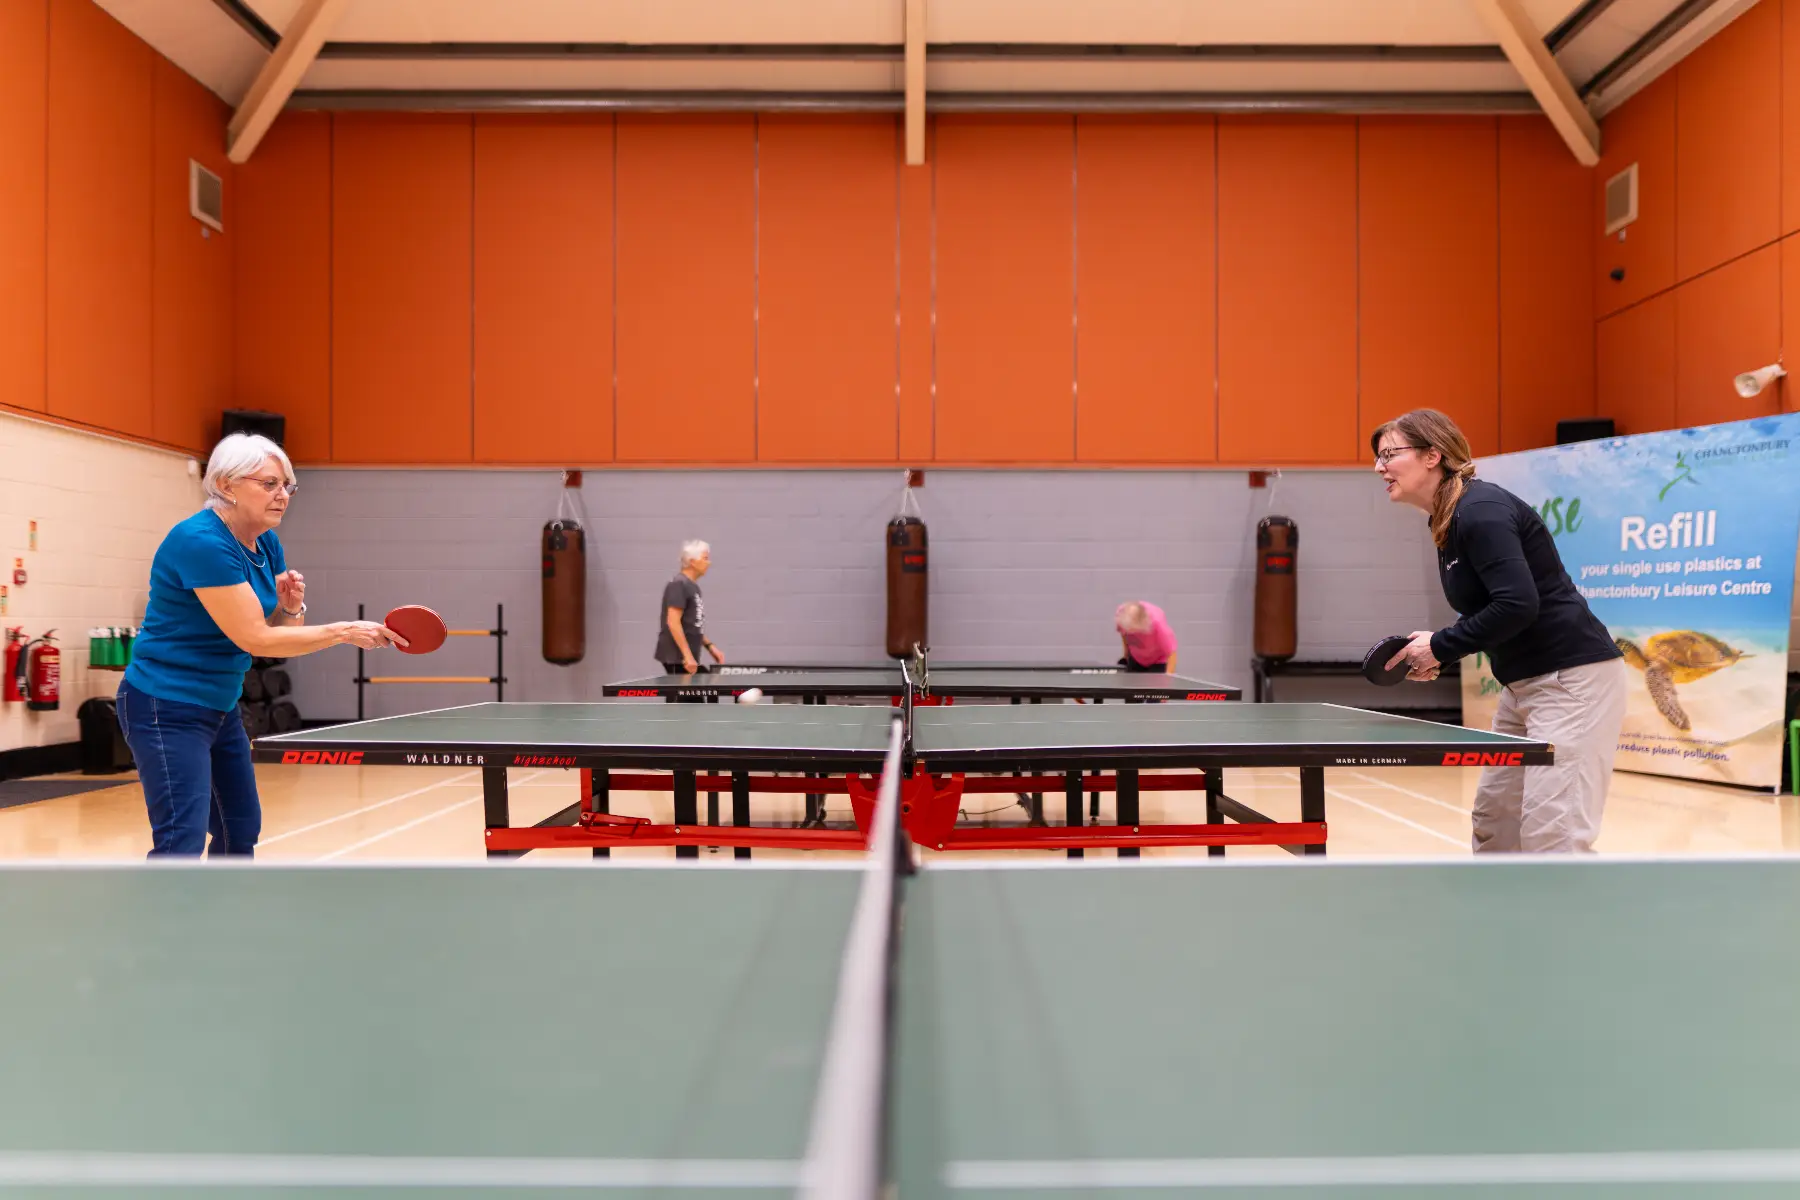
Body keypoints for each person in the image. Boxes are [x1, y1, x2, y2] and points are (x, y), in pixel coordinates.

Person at [117, 434, 402, 858]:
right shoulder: (200, 541)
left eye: (287, 485)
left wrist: (291, 607)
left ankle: (229, 902)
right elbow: (253, 637)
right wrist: (344, 631)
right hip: (166, 705)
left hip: (219, 704)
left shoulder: (265, 541)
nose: (282, 495)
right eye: (269, 484)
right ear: (226, 485)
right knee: (181, 839)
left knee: (240, 829)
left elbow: (277, 640)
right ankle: (165, 905)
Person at [1372, 408, 1626, 854]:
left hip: (1570, 682)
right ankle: (1498, 902)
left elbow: (1517, 604)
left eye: (1389, 454)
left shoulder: (1480, 510)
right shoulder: (1448, 519)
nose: (1379, 467)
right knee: (1496, 822)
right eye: (1378, 457)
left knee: (1554, 833)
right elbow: (1492, 607)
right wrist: (1441, 650)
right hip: (1522, 685)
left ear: (1432, 455)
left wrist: (1441, 646)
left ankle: (1567, 903)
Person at [655, 540, 725, 674]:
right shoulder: (678, 584)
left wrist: (710, 646)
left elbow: (693, 624)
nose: (709, 563)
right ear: (692, 562)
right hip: (677, 658)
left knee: (705, 682)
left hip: (686, 658)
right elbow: (673, 622)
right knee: (701, 685)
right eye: (705, 558)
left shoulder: (692, 586)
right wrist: (687, 656)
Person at [1115, 601, 1178, 673]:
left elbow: (1171, 654)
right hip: (1136, 657)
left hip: (1158, 660)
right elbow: (1123, 633)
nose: (1130, 633)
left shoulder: (1159, 626)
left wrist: (1168, 676)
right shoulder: (1121, 615)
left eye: (1132, 630)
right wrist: (1126, 655)